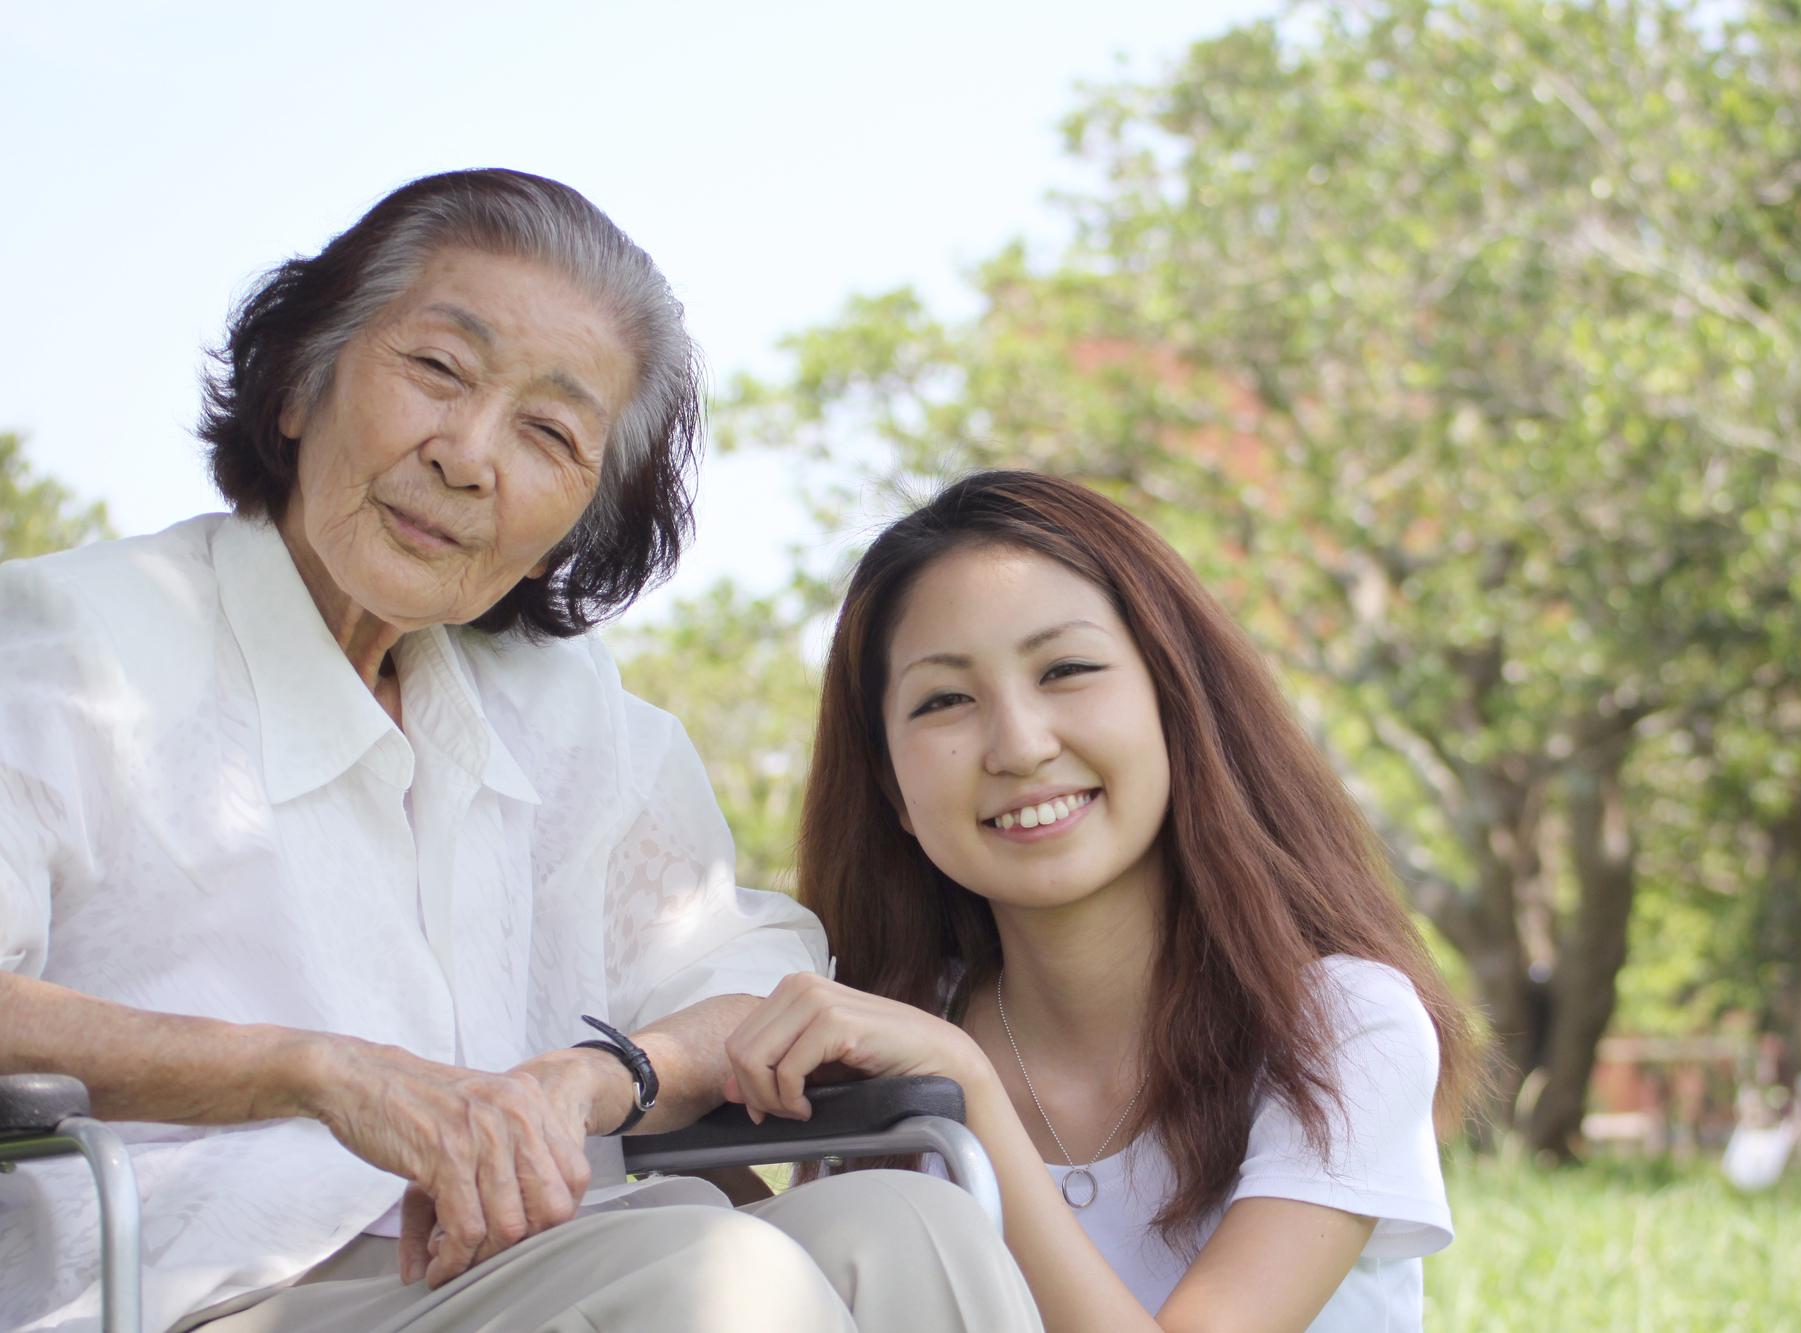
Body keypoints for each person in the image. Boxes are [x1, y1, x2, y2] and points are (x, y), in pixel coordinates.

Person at [0, 170, 1039, 1333]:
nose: (468, 455)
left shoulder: (568, 714)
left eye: (548, 432)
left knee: (912, 1225)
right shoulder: (74, 642)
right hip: (199, 1294)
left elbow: (745, 983)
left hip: (540, 1271)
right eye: (436, 370)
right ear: (301, 383)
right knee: (717, 1274)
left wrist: (598, 1079)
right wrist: (316, 1072)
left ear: (575, 524)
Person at [723, 471, 1479, 1332]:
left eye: (1067, 669)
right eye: (945, 699)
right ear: (891, 784)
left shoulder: (1343, 1027)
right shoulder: (896, 1032)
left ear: (1176, 701)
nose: (1019, 743)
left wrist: (966, 1088)